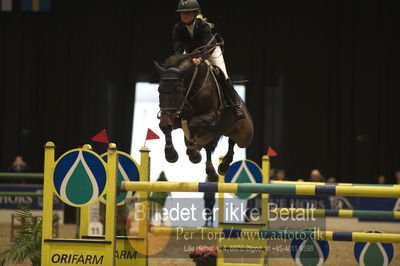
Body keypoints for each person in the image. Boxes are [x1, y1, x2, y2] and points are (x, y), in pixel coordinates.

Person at [172, 0, 245, 121]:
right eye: (182, 13)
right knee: (179, 74)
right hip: (190, 52)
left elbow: (208, 46)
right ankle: (178, 108)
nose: (184, 15)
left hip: (210, 50)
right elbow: (178, 49)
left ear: (195, 13)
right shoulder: (177, 28)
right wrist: (183, 60)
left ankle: (236, 105)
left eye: (187, 12)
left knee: (223, 74)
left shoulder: (203, 25)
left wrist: (201, 59)